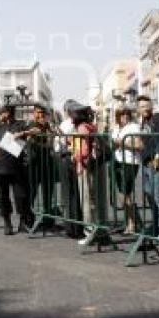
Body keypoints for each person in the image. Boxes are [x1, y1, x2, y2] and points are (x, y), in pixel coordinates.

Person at [0, 104, 35, 235]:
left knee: (21, 196)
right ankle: (7, 223)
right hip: (0, 167)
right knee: (3, 197)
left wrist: (21, 134)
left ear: (6, 113)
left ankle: (23, 222)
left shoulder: (21, 124)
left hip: (17, 167)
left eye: (0, 113)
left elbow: (36, 131)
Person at [136, 95, 159, 239]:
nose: (145, 108)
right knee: (150, 195)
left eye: (146, 105)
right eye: (142, 106)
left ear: (151, 106)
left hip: (156, 164)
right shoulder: (142, 122)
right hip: (145, 164)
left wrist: (158, 154)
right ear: (138, 109)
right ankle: (157, 226)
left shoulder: (158, 118)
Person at [71, 104, 101, 246]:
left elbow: (82, 151)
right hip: (91, 167)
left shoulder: (81, 129)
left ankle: (89, 233)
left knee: (86, 201)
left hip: (83, 167)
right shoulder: (90, 126)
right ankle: (95, 230)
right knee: (92, 200)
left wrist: (75, 155)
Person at [55, 100, 83, 238]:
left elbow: (60, 143)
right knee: (75, 194)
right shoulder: (77, 123)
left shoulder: (67, 124)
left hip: (67, 157)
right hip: (72, 158)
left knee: (69, 194)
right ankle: (76, 226)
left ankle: (71, 227)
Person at [112, 106, 142, 234]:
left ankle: (134, 223)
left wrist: (122, 142)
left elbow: (138, 145)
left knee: (125, 194)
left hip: (130, 162)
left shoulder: (133, 127)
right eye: (121, 114)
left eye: (126, 114)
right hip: (118, 161)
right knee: (123, 195)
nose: (124, 116)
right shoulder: (117, 128)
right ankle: (130, 222)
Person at [25, 104, 56, 218]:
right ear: (34, 114)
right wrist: (45, 144)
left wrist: (50, 134)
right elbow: (30, 142)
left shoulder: (47, 126)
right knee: (32, 190)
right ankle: (28, 217)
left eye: (42, 113)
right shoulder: (31, 126)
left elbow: (51, 141)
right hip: (35, 163)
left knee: (48, 191)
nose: (40, 115)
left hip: (47, 162)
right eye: (38, 113)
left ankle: (47, 216)